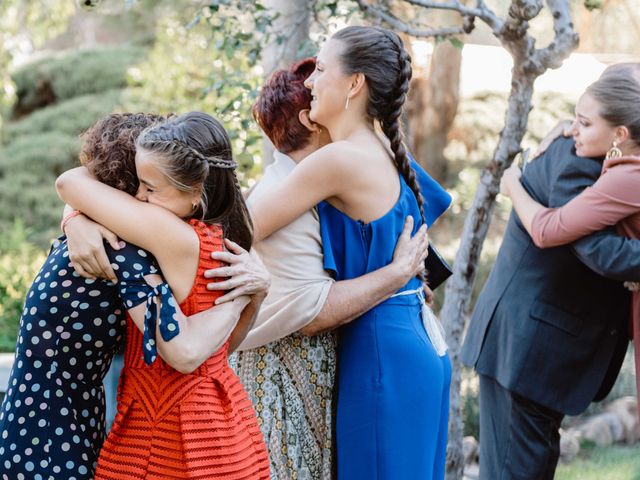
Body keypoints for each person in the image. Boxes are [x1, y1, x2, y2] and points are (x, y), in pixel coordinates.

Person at [0, 113, 265, 480]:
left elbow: (187, 351)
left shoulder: (140, 245)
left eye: (150, 187)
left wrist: (76, 215)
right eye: (139, 185)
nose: (141, 197)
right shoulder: (194, 241)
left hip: (147, 426)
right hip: (206, 416)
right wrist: (75, 217)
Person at [247, 26, 451, 479]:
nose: (311, 82)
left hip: (381, 351)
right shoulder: (385, 148)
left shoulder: (339, 160)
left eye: (320, 69)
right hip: (417, 341)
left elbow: (243, 226)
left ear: (354, 84)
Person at [461, 63, 640, 480]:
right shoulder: (577, 158)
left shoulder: (606, 157)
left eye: (583, 122)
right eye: (576, 120)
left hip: (541, 351)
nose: (575, 129)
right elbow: (596, 251)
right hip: (529, 347)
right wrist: (513, 187)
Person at [500, 66, 640, 412]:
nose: (573, 130)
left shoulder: (627, 177)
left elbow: (549, 229)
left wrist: (512, 185)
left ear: (620, 133)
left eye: (585, 123)